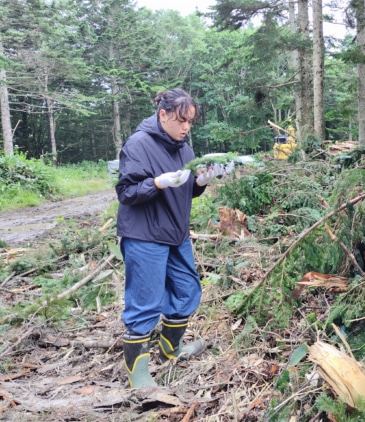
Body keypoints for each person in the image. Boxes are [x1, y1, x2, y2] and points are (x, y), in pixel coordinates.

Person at [115, 88, 230, 388]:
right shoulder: (138, 144)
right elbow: (126, 192)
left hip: (176, 233)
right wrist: (157, 182)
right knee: (145, 301)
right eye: (181, 120)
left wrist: (202, 181)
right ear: (162, 114)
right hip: (145, 234)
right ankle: (138, 375)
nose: (185, 128)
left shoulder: (184, 149)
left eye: (190, 122)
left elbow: (187, 189)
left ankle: (170, 348)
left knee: (186, 290)